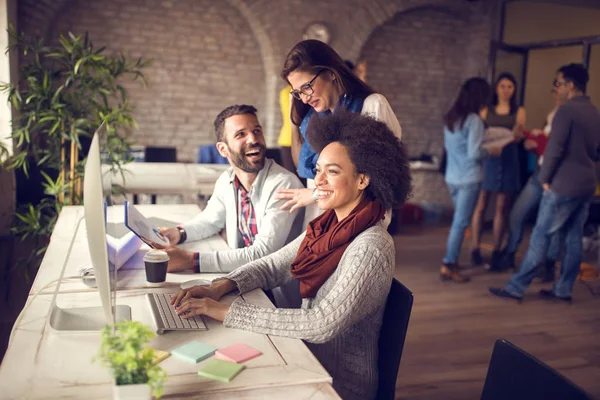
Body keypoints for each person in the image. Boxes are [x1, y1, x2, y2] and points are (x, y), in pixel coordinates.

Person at [171, 110, 411, 400]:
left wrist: (222, 311)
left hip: (337, 385)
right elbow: (274, 265)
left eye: (332, 171)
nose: (318, 181)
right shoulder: (327, 225)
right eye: (318, 169)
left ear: (362, 179)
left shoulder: (371, 246)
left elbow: (321, 323)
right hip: (304, 358)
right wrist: (220, 286)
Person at [154, 105, 304, 306]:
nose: (253, 139)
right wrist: (178, 233)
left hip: (278, 298)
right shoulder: (227, 179)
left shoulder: (283, 183)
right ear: (223, 149)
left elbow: (263, 254)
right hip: (243, 282)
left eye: (256, 131)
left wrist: (191, 260)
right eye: (241, 134)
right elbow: (210, 220)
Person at [490, 63, 600, 302]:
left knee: (541, 235)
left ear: (570, 85)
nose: (556, 88)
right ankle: (563, 290)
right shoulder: (594, 111)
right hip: (587, 183)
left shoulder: (566, 111)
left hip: (563, 184)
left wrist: (545, 178)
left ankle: (515, 288)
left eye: (558, 83)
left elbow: (554, 149)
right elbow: (596, 151)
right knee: (572, 237)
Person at [274, 40, 401, 221]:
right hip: (321, 219)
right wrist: (294, 120)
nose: (303, 98)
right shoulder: (313, 118)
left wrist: (316, 194)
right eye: (297, 92)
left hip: (360, 221)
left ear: (331, 74)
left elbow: (382, 177)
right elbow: (305, 169)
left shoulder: (372, 105)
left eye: (307, 87)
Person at [441, 78, 505, 283]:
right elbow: (474, 152)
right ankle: (449, 263)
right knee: (460, 223)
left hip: (452, 176)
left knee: (458, 222)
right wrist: (492, 150)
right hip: (469, 178)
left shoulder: (451, 118)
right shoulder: (474, 120)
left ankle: (451, 260)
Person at [500, 87, 567, 281]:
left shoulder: (569, 116)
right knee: (516, 214)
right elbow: (547, 148)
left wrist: (540, 144)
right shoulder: (553, 113)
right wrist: (533, 144)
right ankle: (510, 254)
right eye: (554, 87)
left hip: (556, 177)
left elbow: (559, 149)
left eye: (559, 84)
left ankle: (546, 267)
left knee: (551, 227)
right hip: (540, 172)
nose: (555, 90)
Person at [470, 72, 526, 270]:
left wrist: (517, 136)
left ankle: (495, 250)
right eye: (503, 86)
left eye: (510, 87)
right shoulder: (486, 110)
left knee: (502, 207)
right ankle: (475, 248)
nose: (506, 90)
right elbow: (479, 135)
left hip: (509, 159)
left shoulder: (518, 110)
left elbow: (520, 135)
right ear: (496, 88)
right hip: (489, 159)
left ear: (515, 89)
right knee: (481, 204)